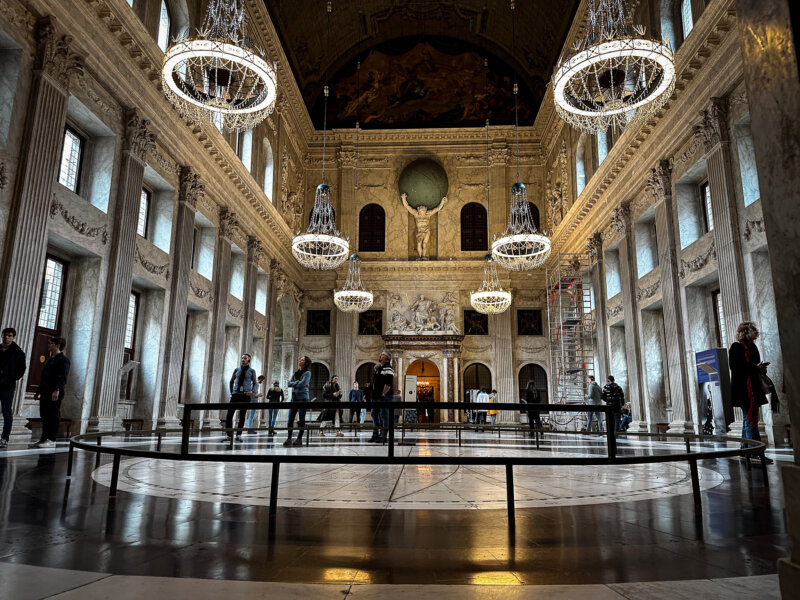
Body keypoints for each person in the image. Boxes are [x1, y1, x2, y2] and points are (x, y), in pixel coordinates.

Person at [729, 321, 773, 463]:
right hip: (743, 389)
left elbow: (753, 364)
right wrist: (755, 368)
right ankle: (755, 452)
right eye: (753, 330)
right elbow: (737, 368)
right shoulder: (736, 347)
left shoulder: (752, 346)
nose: (756, 332)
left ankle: (744, 448)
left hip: (753, 387)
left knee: (747, 420)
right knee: (750, 420)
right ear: (746, 332)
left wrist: (760, 368)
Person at [31, 337, 70, 448]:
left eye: (51, 343)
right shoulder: (49, 360)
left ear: (57, 345)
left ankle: (51, 439)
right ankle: (44, 438)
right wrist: (38, 391)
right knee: (44, 415)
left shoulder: (63, 360)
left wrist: (57, 390)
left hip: (55, 391)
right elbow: (44, 377)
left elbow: (62, 377)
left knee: (53, 415)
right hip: (45, 390)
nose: (49, 345)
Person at [0, 327, 26, 448]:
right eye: (5, 335)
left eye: (9, 335)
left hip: (7, 386)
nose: (6, 337)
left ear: (13, 337)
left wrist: (11, 377)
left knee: (7, 412)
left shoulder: (18, 352)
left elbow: (21, 370)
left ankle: (5, 437)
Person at [401, 193, 447, 259]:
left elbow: (437, 209)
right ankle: (420, 257)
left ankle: (424, 256)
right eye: (420, 208)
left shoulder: (428, 214)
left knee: (425, 244)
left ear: (425, 210)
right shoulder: (416, 214)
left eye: (423, 208)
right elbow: (407, 207)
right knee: (418, 244)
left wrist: (442, 202)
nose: (422, 209)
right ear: (418, 209)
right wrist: (403, 198)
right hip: (419, 231)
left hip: (426, 231)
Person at [225, 354, 258, 443]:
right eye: (242, 358)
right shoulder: (237, 370)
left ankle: (238, 435)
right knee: (229, 415)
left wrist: (251, 391)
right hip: (236, 395)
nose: (243, 359)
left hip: (245, 395)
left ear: (249, 360)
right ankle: (228, 435)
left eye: (245, 358)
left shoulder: (252, 371)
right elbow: (231, 381)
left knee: (242, 416)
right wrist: (232, 392)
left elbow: (255, 383)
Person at [285, 356, 312, 447]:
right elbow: (288, 384)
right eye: (300, 359)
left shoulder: (307, 373)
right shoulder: (295, 373)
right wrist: (297, 382)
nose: (300, 360)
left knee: (301, 420)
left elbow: (303, 384)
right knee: (290, 420)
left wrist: (295, 383)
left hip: (303, 398)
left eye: (302, 359)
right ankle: (289, 438)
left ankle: (299, 439)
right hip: (294, 398)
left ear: (306, 362)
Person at [370, 350, 394, 443]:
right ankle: (375, 434)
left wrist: (383, 394)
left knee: (384, 416)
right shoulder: (380, 367)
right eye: (381, 354)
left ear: (387, 358)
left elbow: (388, 383)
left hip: (384, 397)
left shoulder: (388, 368)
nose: (381, 355)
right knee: (374, 414)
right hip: (376, 397)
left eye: (383, 354)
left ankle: (383, 436)